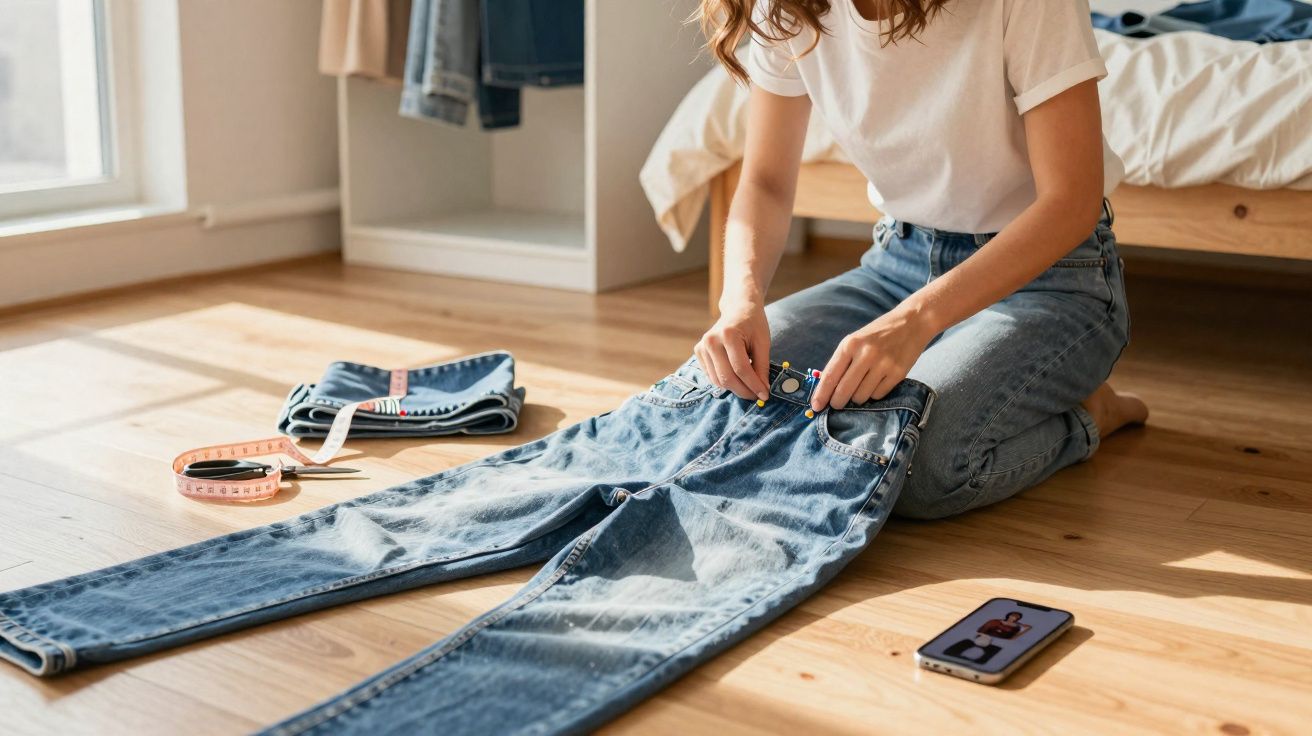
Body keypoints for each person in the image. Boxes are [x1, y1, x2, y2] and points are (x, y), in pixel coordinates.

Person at [693, 0, 1149, 519]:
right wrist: (740, 302)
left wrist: (915, 322)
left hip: (1052, 279)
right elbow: (766, 183)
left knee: (913, 468)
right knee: (724, 399)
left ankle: (1092, 413)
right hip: (899, 264)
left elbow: (1071, 202)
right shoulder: (788, 7)